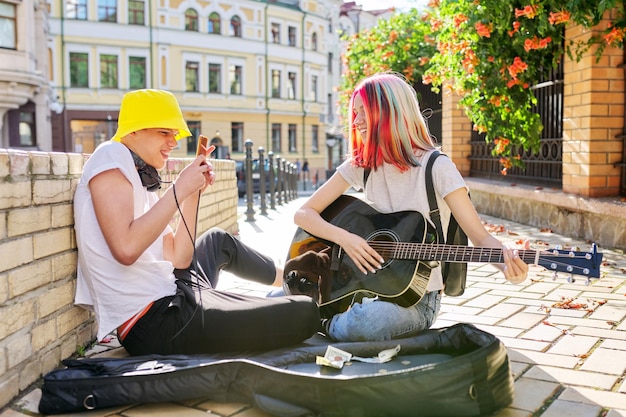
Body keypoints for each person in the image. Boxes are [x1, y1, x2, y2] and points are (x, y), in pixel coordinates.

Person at [73, 89, 319, 355]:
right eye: (163, 133)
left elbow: (180, 257)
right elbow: (126, 249)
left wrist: (192, 194)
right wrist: (179, 188)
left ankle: (292, 282)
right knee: (305, 314)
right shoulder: (110, 155)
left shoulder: (141, 178)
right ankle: (293, 299)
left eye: (174, 135)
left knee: (217, 239)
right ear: (133, 131)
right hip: (152, 322)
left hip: (172, 294)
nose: (173, 143)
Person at [288, 72, 529, 342]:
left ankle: (318, 319)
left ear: (390, 110)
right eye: (354, 114)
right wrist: (347, 239)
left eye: (363, 112)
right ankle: (320, 314)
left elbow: (480, 237)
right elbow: (303, 214)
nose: (356, 122)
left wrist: (508, 266)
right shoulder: (362, 165)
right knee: (287, 299)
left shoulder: (437, 167)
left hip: (416, 301)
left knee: (367, 322)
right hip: (362, 287)